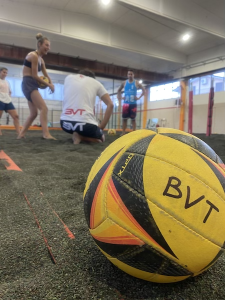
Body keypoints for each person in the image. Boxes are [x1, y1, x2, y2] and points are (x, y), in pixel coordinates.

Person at [18, 33, 55, 139]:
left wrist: (51, 83)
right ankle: (46, 134)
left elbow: (45, 74)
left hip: (31, 83)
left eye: (49, 46)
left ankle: (21, 134)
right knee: (44, 108)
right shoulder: (33, 56)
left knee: (34, 113)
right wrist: (48, 85)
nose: (48, 48)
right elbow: (34, 75)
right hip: (28, 83)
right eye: (46, 45)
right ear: (40, 44)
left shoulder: (41, 59)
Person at [60, 69, 114, 144]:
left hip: (65, 124)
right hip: (85, 125)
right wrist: (101, 127)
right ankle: (81, 137)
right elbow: (110, 105)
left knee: (80, 127)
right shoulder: (96, 82)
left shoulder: (68, 78)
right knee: (101, 139)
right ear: (92, 78)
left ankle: (77, 133)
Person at [117, 69, 145, 136]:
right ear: (127, 75)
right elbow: (119, 90)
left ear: (133, 75)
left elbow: (144, 90)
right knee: (124, 119)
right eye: (129, 74)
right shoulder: (124, 83)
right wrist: (120, 98)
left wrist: (139, 97)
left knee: (133, 119)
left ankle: (134, 133)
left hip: (133, 104)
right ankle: (123, 132)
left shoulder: (136, 83)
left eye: (131, 74)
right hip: (126, 104)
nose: (130, 75)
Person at [0, 67, 20, 136]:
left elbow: (9, 91)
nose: (5, 74)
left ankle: (19, 133)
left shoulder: (7, 82)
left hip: (8, 101)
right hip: (0, 100)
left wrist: (9, 95)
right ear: (0, 72)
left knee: (16, 116)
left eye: (6, 72)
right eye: (3, 72)